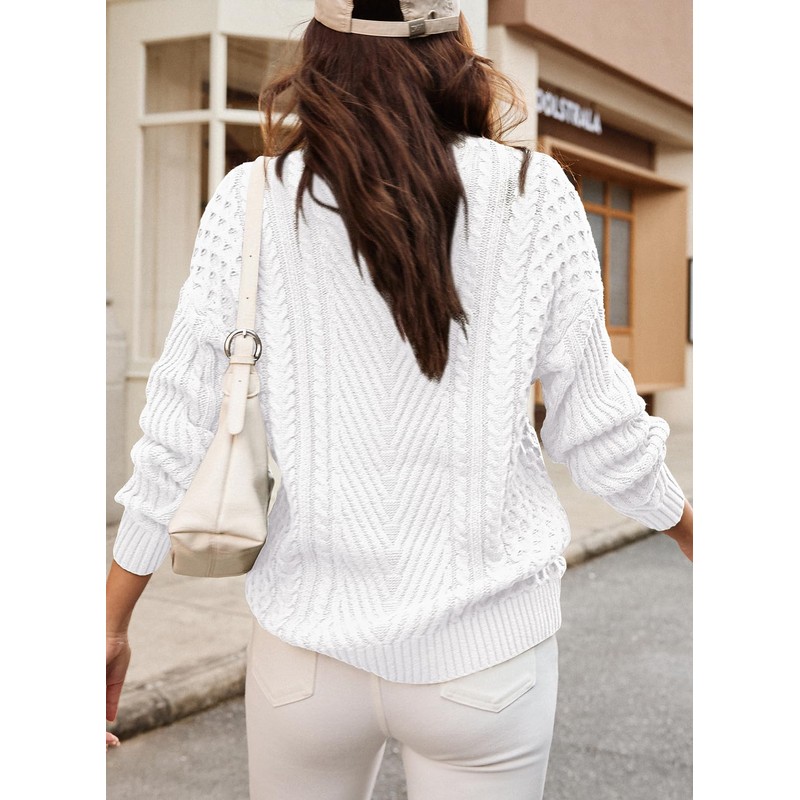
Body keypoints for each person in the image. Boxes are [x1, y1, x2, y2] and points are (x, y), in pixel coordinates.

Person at [106, 0, 693, 796]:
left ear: (321, 50)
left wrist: (111, 619)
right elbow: (597, 426)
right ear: (454, 47)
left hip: (306, 655)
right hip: (485, 662)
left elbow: (180, 428)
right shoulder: (535, 192)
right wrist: (689, 529)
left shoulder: (252, 198)